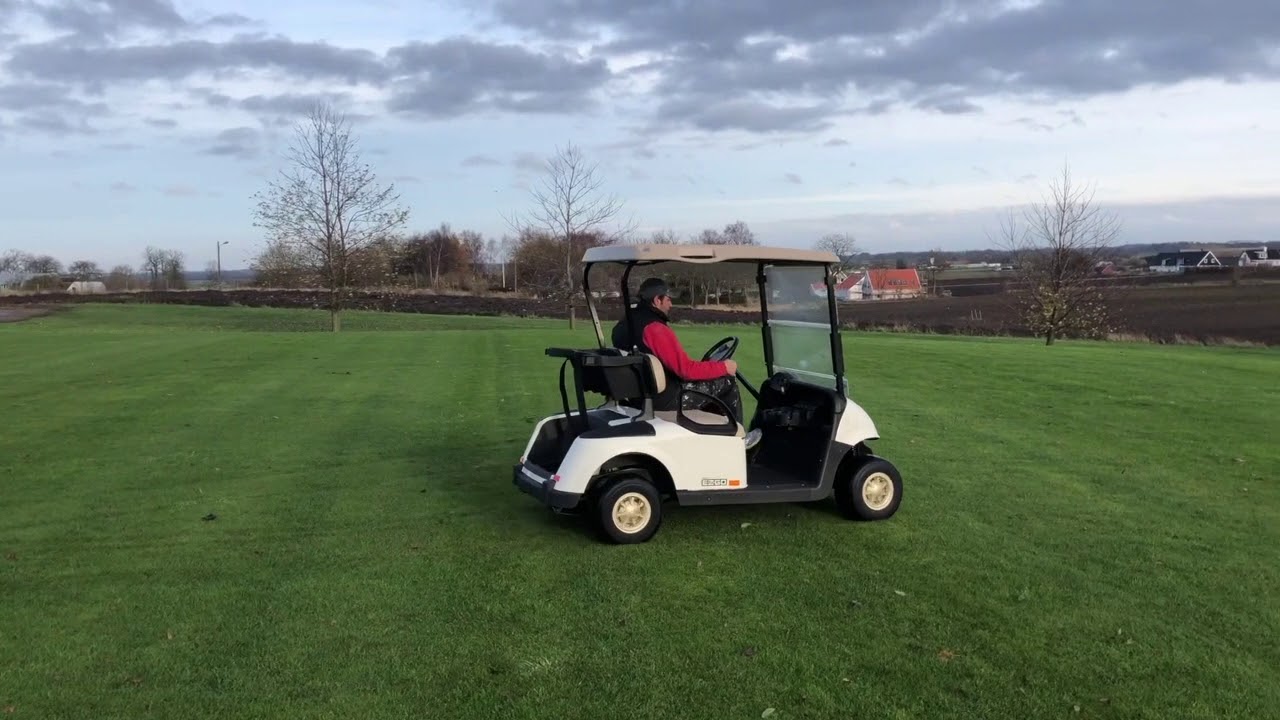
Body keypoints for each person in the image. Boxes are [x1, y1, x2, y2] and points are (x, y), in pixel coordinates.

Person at [611, 277, 762, 450]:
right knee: (726, 381)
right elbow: (685, 370)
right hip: (665, 399)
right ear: (657, 300)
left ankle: (714, 437)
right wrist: (724, 367)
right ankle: (738, 442)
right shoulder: (654, 328)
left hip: (639, 395)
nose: (671, 304)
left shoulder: (624, 325)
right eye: (668, 299)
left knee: (711, 381)